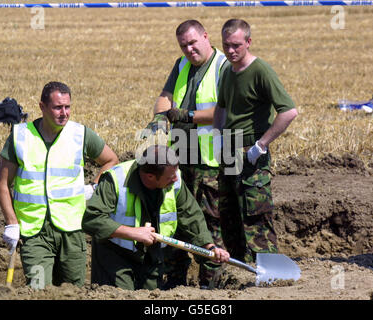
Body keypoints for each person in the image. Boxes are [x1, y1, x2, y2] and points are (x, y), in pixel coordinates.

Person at [0, 81, 119, 288]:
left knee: (73, 291)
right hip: (35, 233)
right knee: (39, 289)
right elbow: (2, 185)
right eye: (58, 107)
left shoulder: (80, 135)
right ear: (42, 107)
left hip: (72, 230)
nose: (64, 113)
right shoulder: (20, 137)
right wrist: (11, 223)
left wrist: (94, 187)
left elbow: (111, 160)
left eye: (68, 107)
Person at [141, 20, 230, 289]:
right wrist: (159, 116)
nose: (189, 49)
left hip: (210, 163)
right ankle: (174, 284)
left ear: (206, 37)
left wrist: (186, 116)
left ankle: (209, 288)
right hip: (180, 160)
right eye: (183, 45)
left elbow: (225, 111)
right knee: (176, 219)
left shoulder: (223, 67)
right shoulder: (181, 65)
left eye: (193, 43)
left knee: (208, 223)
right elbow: (165, 96)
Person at [82, 145, 230, 290]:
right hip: (115, 254)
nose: (175, 179)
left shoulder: (174, 178)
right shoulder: (116, 179)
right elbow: (92, 219)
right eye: (170, 177)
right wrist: (133, 233)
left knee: (151, 295)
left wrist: (209, 246)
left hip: (152, 255)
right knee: (121, 293)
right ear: (150, 176)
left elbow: (191, 215)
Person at [213, 19, 298, 264]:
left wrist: (261, 145)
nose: (230, 51)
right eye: (226, 45)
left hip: (250, 154)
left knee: (256, 216)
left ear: (248, 42)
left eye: (236, 45)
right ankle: (239, 268)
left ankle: (270, 271)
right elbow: (221, 106)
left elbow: (288, 111)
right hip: (229, 150)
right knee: (229, 214)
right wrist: (218, 136)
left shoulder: (260, 71)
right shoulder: (227, 71)